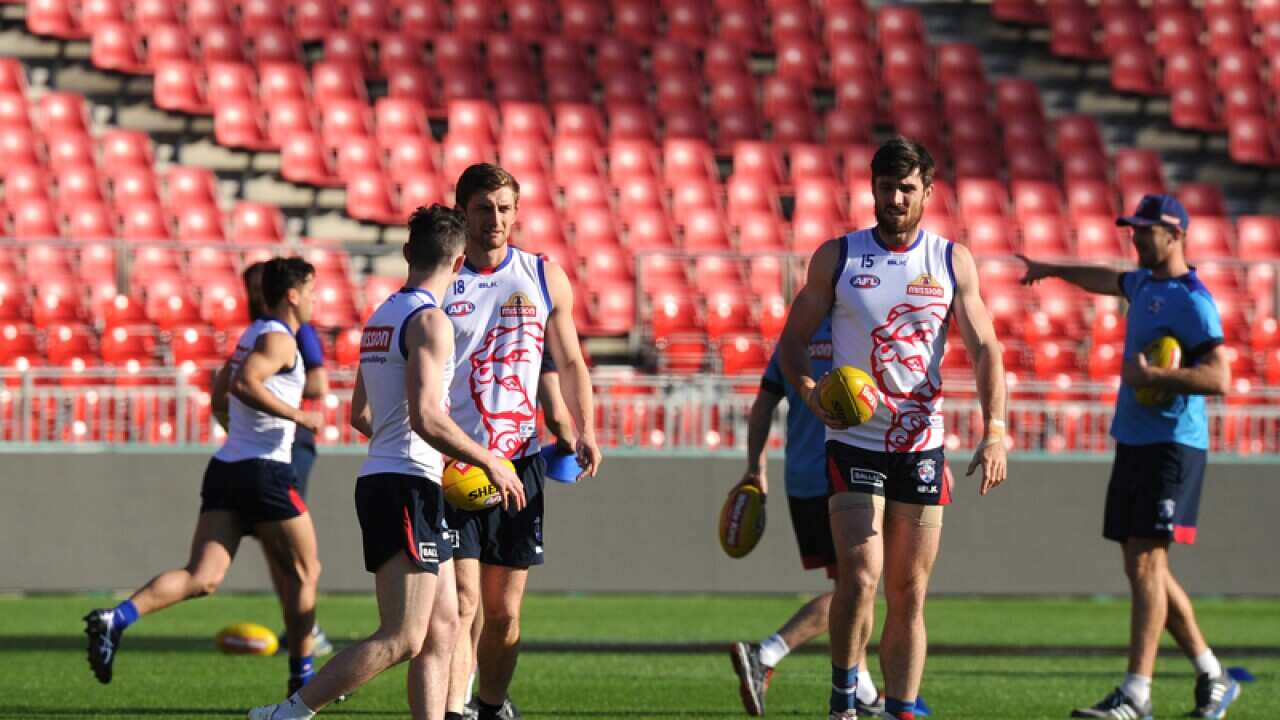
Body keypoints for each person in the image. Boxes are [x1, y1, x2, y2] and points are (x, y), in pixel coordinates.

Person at [248, 205, 527, 720]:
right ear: (461, 260)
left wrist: (415, 450)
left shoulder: (382, 316)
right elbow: (426, 417)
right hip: (405, 487)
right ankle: (289, 713)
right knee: (403, 636)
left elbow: (362, 413)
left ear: (407, 253)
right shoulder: (430, 320)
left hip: (399, 476)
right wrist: (490, 461)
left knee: (444, 626)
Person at [777, 137, 1009, 720]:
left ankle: (901, 708)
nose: (896, 198)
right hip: (853, 440)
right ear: (872, 190)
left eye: (908, 188)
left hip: (921, 446)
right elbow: (792, 341)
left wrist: (996, 428)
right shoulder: (838, 257)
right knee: (860, 574)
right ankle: (842, 703)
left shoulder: (951, 261)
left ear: (928, 193)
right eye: (887, 187)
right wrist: (809, 393)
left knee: (909, 592)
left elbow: (985, 349)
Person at [1018, 194, 1241, 720]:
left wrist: (1156, 377)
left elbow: (1221, 377)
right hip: (1135, 441)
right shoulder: (1143, 283)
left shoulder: (1193, 299)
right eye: (1133, 229)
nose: (1136, 237)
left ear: (1175, 235)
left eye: (1145, 230)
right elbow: (1106, 277)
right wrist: (1052, 268)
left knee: (1146, 562)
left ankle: (1136, 692)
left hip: (1173, 445)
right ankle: (1212, 673)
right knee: (1145, 569)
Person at [86, 257, 325, 697]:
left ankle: (115, 618)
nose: (315, 300)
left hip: (228, 467)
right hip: (266, 470)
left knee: (203, 576)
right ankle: (303, 678)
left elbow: (219, 394)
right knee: (307, 571)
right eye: (310, 291)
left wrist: (240, 435)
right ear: (292, 295)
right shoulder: (280, 339)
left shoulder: (252, 335)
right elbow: (244, 385)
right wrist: (294, 416)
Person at [441, 163, 602, 720]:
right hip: (456, 464)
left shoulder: (542, 274)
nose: (496, 219)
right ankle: (455, 708)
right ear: (463, 210)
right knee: (462, 604)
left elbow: (572, 360)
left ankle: (490, 704)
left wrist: (583, 428)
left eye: (505, 208)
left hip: (521, 463)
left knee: (504, 614)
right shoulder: (443, 280)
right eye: (485, 208)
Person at [729, 315, 885, 718]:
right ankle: (766, 652)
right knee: (858, 588)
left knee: (853, 584)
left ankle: (864, 689)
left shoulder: (795, 342)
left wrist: (755, 467)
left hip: (800, 477)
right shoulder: (856, 333)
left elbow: (764, 403)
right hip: (843, 475)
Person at [243, 261, 335, 657]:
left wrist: (284, 398)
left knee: (295, 554)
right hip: (262, 448)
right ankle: (296, 628)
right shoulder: (262, 331)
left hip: (290, 445)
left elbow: (318, 381)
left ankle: (308, 632)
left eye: (259, 287)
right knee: (273, 546)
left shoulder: (296, 332)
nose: (254, 294)